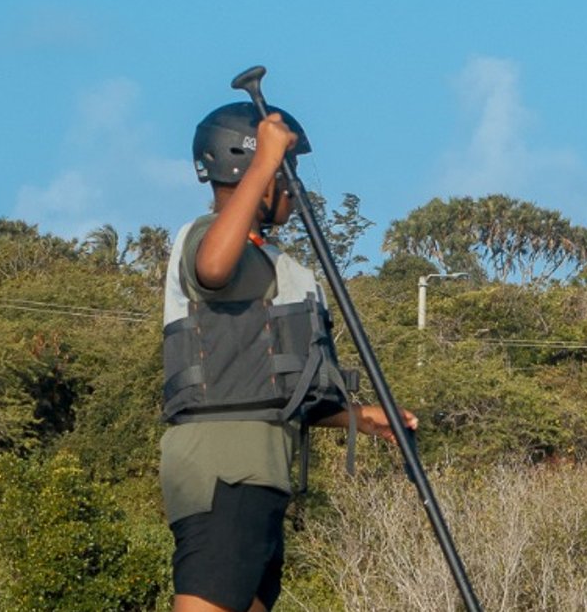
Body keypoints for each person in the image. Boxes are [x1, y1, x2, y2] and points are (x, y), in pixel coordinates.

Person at [162, 101, 415, 612]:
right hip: (226, 468)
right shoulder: (206, 240)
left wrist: (360, 418)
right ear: (255, 168)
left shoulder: (271, 263)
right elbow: (213, 266)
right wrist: (267, 163)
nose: (295, 193)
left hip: (260, 469)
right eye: (289, 174)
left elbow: (278, 385)